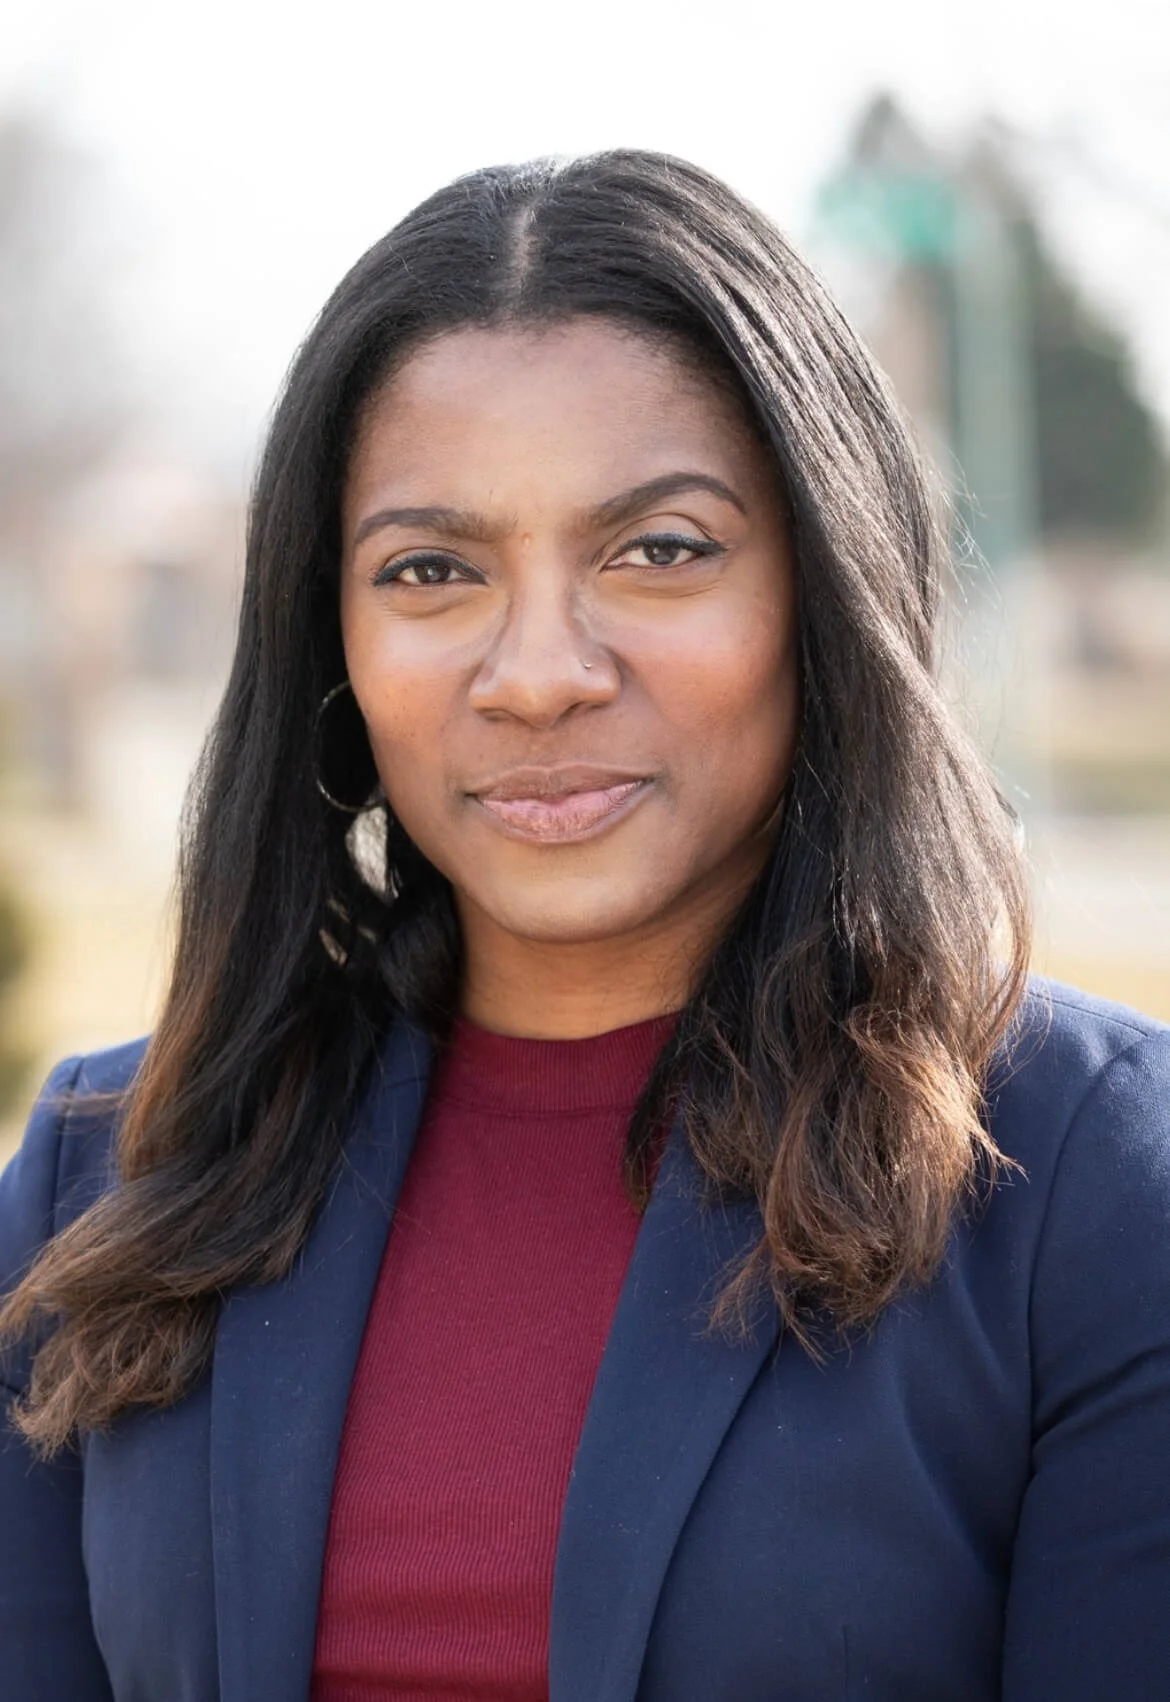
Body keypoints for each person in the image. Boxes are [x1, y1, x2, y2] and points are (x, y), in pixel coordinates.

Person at [2, 150, 1168, 1702]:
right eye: (431, 569)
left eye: (659, 549)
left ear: (825, 586)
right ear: (329, 638)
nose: (537, 670)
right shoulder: (104, 1180)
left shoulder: (1087, 1192)